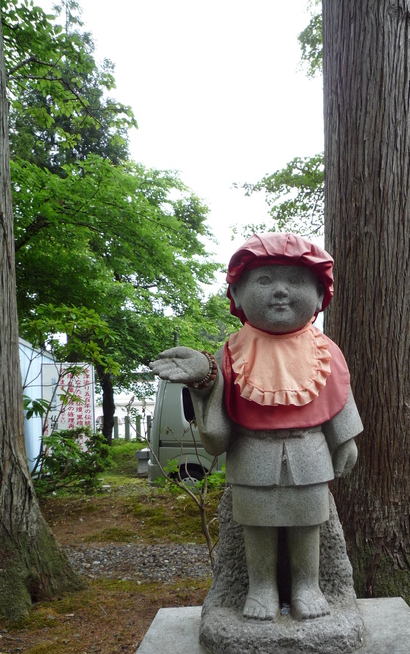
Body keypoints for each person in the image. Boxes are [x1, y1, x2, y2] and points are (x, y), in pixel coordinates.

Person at [151, 233, 362, 622]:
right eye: (264, 281)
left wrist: (344, 438)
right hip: (252, 450)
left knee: (308, 521)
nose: (280, 292)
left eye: (295, 282)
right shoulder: (232, 350)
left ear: (318, 296)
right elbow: (219, 412)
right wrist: (204, 380)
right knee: (255, 523)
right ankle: (261, 586)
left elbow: (339, 393)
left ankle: (307, 586)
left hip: (310, 448)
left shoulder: (324, 349)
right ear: (238, 294)